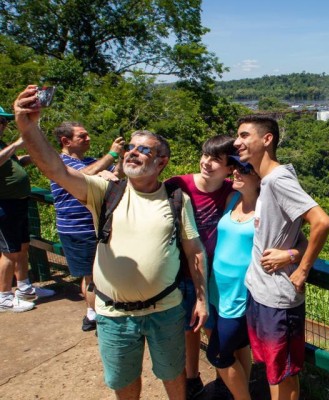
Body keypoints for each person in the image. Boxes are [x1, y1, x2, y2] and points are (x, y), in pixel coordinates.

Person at [14, 85, 208, 399]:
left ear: (162, 162)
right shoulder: (106, 192)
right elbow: (55, 168)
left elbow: (194, 250)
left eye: (144, 149)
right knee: (124, 383)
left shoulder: (176, 198)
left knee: (173, 376)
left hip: (167, 309)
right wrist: (27, 125)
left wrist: (201, 298)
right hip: (115, 314)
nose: (132, 151)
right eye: (131, 146)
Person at [234, 114, 329, 400]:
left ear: (267, 140)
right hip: (260, 292)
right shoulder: (266, 181)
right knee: (272, 369)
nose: (237, 141)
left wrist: (301, 270)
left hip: (278, 298)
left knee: (285, 374)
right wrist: (291, 251)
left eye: (244, 136)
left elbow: (321, 222)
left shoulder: (278, 179)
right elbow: (297, 232)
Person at [206, 156, 306, 400]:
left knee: (218, 355)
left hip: (244, 293)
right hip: (217, 291)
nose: (235, 173)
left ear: (259, 178)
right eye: (235, 168)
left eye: (243, 170)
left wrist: (291, 255)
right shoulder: (232, 199)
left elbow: (301, 240)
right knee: (239, 348)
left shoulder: (268, 207)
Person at [164, 135, 235, 399]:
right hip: (182, 271)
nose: (206, 162)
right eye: (205, 155)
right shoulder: (177, 185)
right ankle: (192, 377)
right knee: (189, 327)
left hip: (216, 275)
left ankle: (223, 380)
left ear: (230, 168)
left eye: (216, 159)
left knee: (213, 328)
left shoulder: (231, 190)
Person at [51, 121, 124, 330]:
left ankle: (93, 314)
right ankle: (96, 318)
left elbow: (115, 175)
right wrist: (111, 154)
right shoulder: (59, 163)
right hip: (77, 229)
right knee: (91, 276)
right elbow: (84, 175)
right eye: (82, 136)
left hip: (97, 227)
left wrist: (119, 160)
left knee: (100, 273)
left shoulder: (92, 161)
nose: (88, 138)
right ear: (66, 141)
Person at [0, 105, 54, 313]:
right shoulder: (7, 145)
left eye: (5, 121)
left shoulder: (2, 144)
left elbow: (12, 162)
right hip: (4, 204)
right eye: (1, 121)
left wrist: (30, 156)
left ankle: (24, 288)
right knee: (8, 252)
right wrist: (16, 144)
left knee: (22, 247)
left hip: (19, 202)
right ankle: (4, 296)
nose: (4, 125)